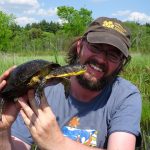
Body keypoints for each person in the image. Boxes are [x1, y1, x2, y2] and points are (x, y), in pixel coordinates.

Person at [0, 17, 142, 150]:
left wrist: (58, 143)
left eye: (113, 54)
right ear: (79, 46)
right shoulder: (40, 90)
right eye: (96, 47)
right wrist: (3, 130)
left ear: (121, 63)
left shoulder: (125, 96)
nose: (101, 59)